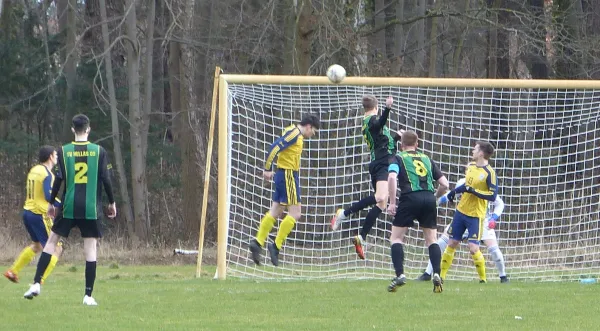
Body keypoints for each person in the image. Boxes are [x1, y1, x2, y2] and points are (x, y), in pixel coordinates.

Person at [23, 114, 117, 305]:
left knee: (51, 243)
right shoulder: (99, 151)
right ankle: (88, 295)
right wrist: (112, 202)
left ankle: (36, 283)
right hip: (90, 207)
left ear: (73, 130)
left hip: (68, 206)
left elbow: (58, 179)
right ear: (88, 129)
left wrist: (50, 204)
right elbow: (106, 179)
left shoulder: (64, 151)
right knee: (90, 250)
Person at [330, 95, 400, 260]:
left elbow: (384, 141)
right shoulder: (371, 120)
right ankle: (344, 213)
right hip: (382, 163)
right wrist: (388, 108)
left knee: (381, 204)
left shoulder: (370, 122)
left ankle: (361, 237)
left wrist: (397, 137)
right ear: (375, 107)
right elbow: (378, 124)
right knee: (381, 197)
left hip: (380, 161)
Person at [249, 114, 320, 266]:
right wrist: (267, 169)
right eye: (313, 131)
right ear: (308, 126)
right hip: (288, 175)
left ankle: (258, 242)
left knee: (275, 210)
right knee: (296, 213)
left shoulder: (292, 131)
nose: (312, 135)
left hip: (284, 175)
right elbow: (275, 147)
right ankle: (275, 246)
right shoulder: (295, 134)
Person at [385, 130, 449, 293]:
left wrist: (392, 203)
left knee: (396, 238)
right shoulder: (426, 158)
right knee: (432, 240)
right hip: (428, 197)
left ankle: (400, 274)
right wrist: (434, 198)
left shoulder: (398, 157)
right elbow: (445, 184)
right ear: (417, 144)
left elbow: (392, 177)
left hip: (409, 198)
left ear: (402, 144)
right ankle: (436, 273)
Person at [418, 179, 508, 283]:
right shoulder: (462, 183)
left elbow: (499, 203)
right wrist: (435, 203)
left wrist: (493, 218)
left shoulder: (485, 184)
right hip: (461, 219)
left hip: (481, 221)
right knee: (441, 243)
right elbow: (450, 195)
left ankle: (503, 276)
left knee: (492, 250)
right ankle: (428, 273)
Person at [438, 141, 498, 283]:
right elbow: (466, 186)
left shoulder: (490, 173)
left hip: (476, 215)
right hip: (461, 211)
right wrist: (453, 192)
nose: (473, 151)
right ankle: (441, 276)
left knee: (473, 248)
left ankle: (483, 279)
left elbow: (493, 196)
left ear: (481, 153)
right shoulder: (470, 167)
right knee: (452, 242)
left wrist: (475, 191)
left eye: (475, 149)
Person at [4, 146, 63, 284]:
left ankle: (13, 271)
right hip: (40, 214)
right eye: (55, 155)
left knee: (37, 246)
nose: (57, 157)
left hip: (28, 213)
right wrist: (63, 204)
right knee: (56, 248)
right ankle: (39, 280)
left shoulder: (34, 170)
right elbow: (49, 196)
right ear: (50, 157)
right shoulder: (47, 174)